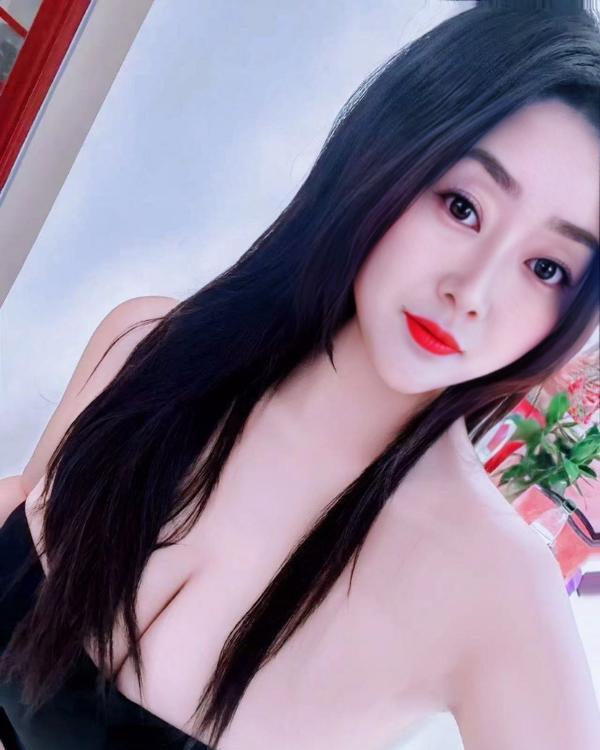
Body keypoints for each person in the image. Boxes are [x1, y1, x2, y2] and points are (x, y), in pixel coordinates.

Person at [1, 1, 599, 749]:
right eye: (462, 206)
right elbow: (20, 512)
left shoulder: (493, 586)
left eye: (547, 268)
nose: (472, 292)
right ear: (386, 152)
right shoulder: (143, 347)